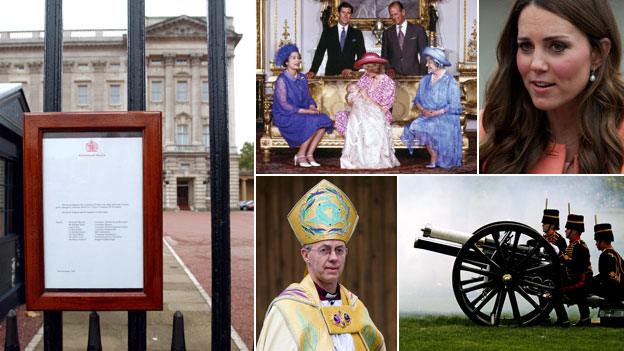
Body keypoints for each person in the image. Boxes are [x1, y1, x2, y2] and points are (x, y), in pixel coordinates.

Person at [480, 0, 624, 173]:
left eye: (557, 46)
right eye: (526, 46)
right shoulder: (490, 128)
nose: (535, 64)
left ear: (598, 54)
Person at [256, 180, 386, 351]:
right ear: (306, 255)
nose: (333, 258)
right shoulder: (288, 309)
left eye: (339, 250)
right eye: (324, 250)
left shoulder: (356, 307)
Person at [272, 44, 334, 167]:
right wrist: (307, 112)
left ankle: (309, 154)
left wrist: (311, 106)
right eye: (293, 58)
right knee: (311, 121)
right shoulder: (282, 80)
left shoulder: (302, 78)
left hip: (302, 112)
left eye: (298, 57)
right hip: (286, 115)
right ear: (286, 61)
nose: (297, 60)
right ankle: (300, 155)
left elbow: (308, 97)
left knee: (324, 120)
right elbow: (284, 105)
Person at [401, 47, 462, 168]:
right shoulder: (425, 80)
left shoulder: (451, 82)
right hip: (426, 115)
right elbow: (417, 100)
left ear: (437, 63)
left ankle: (438, 157)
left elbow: (454, 105)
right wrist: (424, 110)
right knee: (415, 126)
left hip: (445, 116)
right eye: (427, 61)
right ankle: (433, 154)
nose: (426, 64)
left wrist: (436, 113)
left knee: (432, 126)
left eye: (429, 62)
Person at [337, 53, 400, 169]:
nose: (366, 72)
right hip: (361, 111)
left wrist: (367, 98)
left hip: (379, 115)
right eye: (365, 69)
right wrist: (352, 98)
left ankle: (370, 160)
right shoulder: (366, 77)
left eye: (368, 69)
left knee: (364, 122)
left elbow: (383, 109)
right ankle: (357, 158)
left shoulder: (388, 83)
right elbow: (353, 96)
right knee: (344, 115)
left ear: (376, 67)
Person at [554, 213, 593, 327]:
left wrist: (561, 257)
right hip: (575, 279)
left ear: (574, 231)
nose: (565, 231)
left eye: (568, 229)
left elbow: (576, 266)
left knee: (556, 293)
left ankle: (564, 320)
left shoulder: (580, 246)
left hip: (581, 281)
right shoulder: (572, 245)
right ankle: (584, 318)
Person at [308, 2, 365, 78]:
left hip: (350, 76)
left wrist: (352, 69)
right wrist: (313, 71)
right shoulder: (327, 32)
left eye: (348, 13)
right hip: (331, 75)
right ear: (338, 13)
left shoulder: (357, 33)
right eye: (343, 12)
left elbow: (362, 56)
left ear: (351, 15)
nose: (345, 15)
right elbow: (319, 53)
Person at [381, 1, 428, 76]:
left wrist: (423, 76)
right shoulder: (387, 33)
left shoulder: (418, 30)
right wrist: (388, 69)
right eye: (391, 15)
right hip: (394, 78)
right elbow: (384, 57)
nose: (393, 17)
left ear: (403, 12)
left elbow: (424, 56)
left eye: (396, 14)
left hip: (414, 76)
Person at [590, 223, 623, 305]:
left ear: (602, 240)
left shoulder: (604, 255)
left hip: (612, 293)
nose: (596, 244)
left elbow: (604, 277)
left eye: (596, 241)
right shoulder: (616, 254)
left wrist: (589, 282)